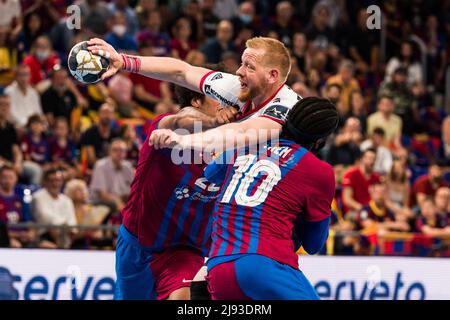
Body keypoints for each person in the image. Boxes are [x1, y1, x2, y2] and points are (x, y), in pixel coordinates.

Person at [204, 97, 338, 300]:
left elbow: (210, 173)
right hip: (265, 263)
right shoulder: (319, 171)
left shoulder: (248, 144)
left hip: (218, 268)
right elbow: (314, 244)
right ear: (319, 142)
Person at [114, 83, 235, 300]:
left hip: (185, 249)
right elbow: (181, 118)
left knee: (183, 298)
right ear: (196, 102)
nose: (226, 105)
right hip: (139, 243)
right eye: (219, 98)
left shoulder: (232, 146)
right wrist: (212, 122)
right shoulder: (169, 132)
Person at [87, 36, 299, 154]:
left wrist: (182, 142)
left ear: (272, 76)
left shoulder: (286, 107)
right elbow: (182, 71)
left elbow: (240, 133)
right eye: (242, 63)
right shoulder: (240, 86)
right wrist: (123, 61)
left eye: (249, 66)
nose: (239, 71)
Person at [31, 168, 77, 248]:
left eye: (58, 180)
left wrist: (70, 229)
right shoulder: (38, 197)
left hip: (66, 234)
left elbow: (72, 219)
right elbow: (44, 216)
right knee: (54, 230)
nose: (55, 184)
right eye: (52, 180)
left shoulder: (66, 200)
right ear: (45, 182)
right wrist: (62, 225)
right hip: (44, 234)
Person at [89, 139, 134, 214]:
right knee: (113, 205)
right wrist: (119, 203)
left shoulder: (128, 167)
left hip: (121, 200)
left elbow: (132, 190)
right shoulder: (100, 165)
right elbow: (102, 194)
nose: (119, 153)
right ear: (109, 152)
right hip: (100, 202)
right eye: (115, 150)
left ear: (125, 153)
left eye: (122, 150)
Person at [0, 165, 35, 248]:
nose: (8, 181)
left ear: (16, 179)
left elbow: (29, 220)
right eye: (4, 177)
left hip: (23, 237)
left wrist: (31, 232)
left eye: (11, 177)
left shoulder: (21, 198)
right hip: (4, 238)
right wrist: (14, 236)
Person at [341, 148, 381, 216]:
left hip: (371, 211)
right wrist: (363, 209)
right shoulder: (351, 174)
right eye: (369, 158)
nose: (372, 162)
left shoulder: (376, 178)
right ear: (362, 159)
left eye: (374, 159)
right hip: (354, 211)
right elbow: (347, 199)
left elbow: (379, 199)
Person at [79, 102, 120, 167]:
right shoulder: (89, 133)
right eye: (104, 113)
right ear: (98, 115)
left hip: (111, 169)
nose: (107, 116)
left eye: (109, 113)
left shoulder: (115, 135)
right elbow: (91, 160)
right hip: (94, 169)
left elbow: (118, 156)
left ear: (113, 116)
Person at [4, 64, 42, 129]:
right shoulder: (9, 91)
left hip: (34, 126)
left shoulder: (33, 92)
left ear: (30, 76)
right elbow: (10, 115)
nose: (24, 78)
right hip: (18, 126)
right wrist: (26, 124)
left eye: (26, 74)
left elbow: (38, 112)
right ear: (15, 76)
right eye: (21, 75)